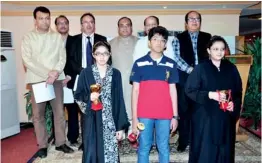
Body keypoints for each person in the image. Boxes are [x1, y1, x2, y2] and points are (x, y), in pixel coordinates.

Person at [21, 6, 73, 158]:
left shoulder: (56, 37)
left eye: (47, 18)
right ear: (35, 20)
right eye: (41, 18)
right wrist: (47, 74)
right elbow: (27, 60)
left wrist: (55, 72)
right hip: (37, 80)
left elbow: (62, 57)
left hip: (56, 79)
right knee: (38, 115)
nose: (45, 21)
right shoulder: (28, 37)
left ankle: (61, 143)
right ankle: (42, 145)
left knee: (59, 113)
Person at [185, 36, 242, 163]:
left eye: (222, 49)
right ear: (209, 50)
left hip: (225, 117)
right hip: (205, 118)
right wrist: (210, 95)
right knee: (206, 151)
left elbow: (238, 91)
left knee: (225, 150)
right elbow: (190, 90)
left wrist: (234, 104)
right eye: (215, 49)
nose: (219, 52)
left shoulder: (231, 68)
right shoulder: (200, 68)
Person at [74, 41, 130, 163]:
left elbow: (120, 100)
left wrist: (120, 127)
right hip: (92, 120)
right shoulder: (86, 73)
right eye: (98, 54)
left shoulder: (116, 74)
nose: (102, 57)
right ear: (93, 55)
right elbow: (78, 95)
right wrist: (89, 97)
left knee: (110, 153)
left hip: (111, 120)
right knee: (92, 152)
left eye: (105, 53)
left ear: (110, 54)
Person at [130, 26, 179, 163]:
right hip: (144, 114)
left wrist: (175, 116)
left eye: (162, 40)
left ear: (165, 44)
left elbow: (173, 91)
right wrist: (135, 118)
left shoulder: (171, 64)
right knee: (144, 147)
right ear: (149, 42)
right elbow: (135, 91)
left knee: (163, 147)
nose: (159, 42)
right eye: (155, 39)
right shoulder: (139, 63)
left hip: (165, 114)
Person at [68, 12, 107, 150]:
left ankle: (99, 139)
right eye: (85, 22)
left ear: (94, 25)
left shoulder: (102, 39)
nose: (89, 24)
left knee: (98, 110)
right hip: (80, 78)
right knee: (84, 112)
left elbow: (107, 58)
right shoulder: (73, 40)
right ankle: (86, 141)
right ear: (81, 25)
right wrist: (83, 71)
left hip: (98, 79)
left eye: (91, 22)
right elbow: (70, 60)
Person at [174, 10, 212, 152]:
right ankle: (183, 140)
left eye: (197, 19)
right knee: (184, 111)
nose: (194, 21)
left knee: (202, 111)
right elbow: (176, 58)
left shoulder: (208, 37)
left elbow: (212, 56)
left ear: (200, 22)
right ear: (186, 23)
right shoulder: (179, 38)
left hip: (204, 81)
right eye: (191, 19)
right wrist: (192, 70)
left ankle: (201, 141)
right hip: (185, 79)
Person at [54, 15, 81, 147]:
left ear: (68, 25)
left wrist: (69, 76)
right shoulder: (51, 41)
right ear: (56, 26)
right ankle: (57, 137)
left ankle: (73, 137)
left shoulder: (75, 40)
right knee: (57, 110)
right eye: (60, 23)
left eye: (65, 23)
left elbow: (75, 60)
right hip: (55, 80)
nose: (63, 25)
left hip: (71, 79)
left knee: (72, 110)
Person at [109, 17, 138, 129]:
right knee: (118, 107)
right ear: (118, 28)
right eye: (122, 25)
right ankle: (119, 132)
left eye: (127, 25)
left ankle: (134, 133)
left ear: (131, 27)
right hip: (118, 83)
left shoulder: (139, 43)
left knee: (134, 107)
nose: (125, 28)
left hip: (135, 83)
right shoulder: (110, 44)